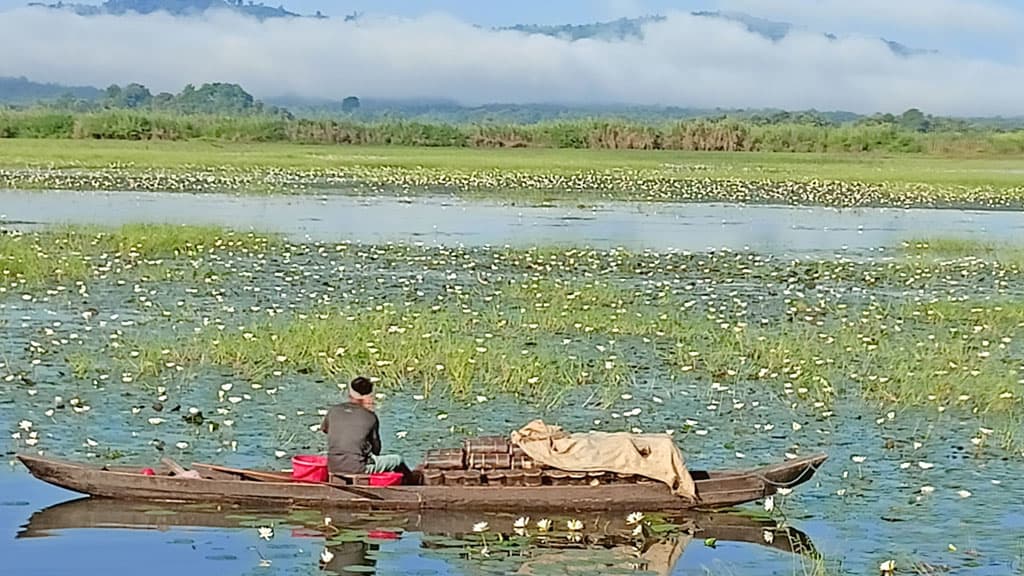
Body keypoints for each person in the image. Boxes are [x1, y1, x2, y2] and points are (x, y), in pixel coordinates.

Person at [321, 376, 410, 481]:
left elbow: (325, 430)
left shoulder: (333, 411)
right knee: (397, 460)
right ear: (369, 395)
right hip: (359, 469)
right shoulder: (370, 416)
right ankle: (413, 486)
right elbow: (376, 449)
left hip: (333, 467)